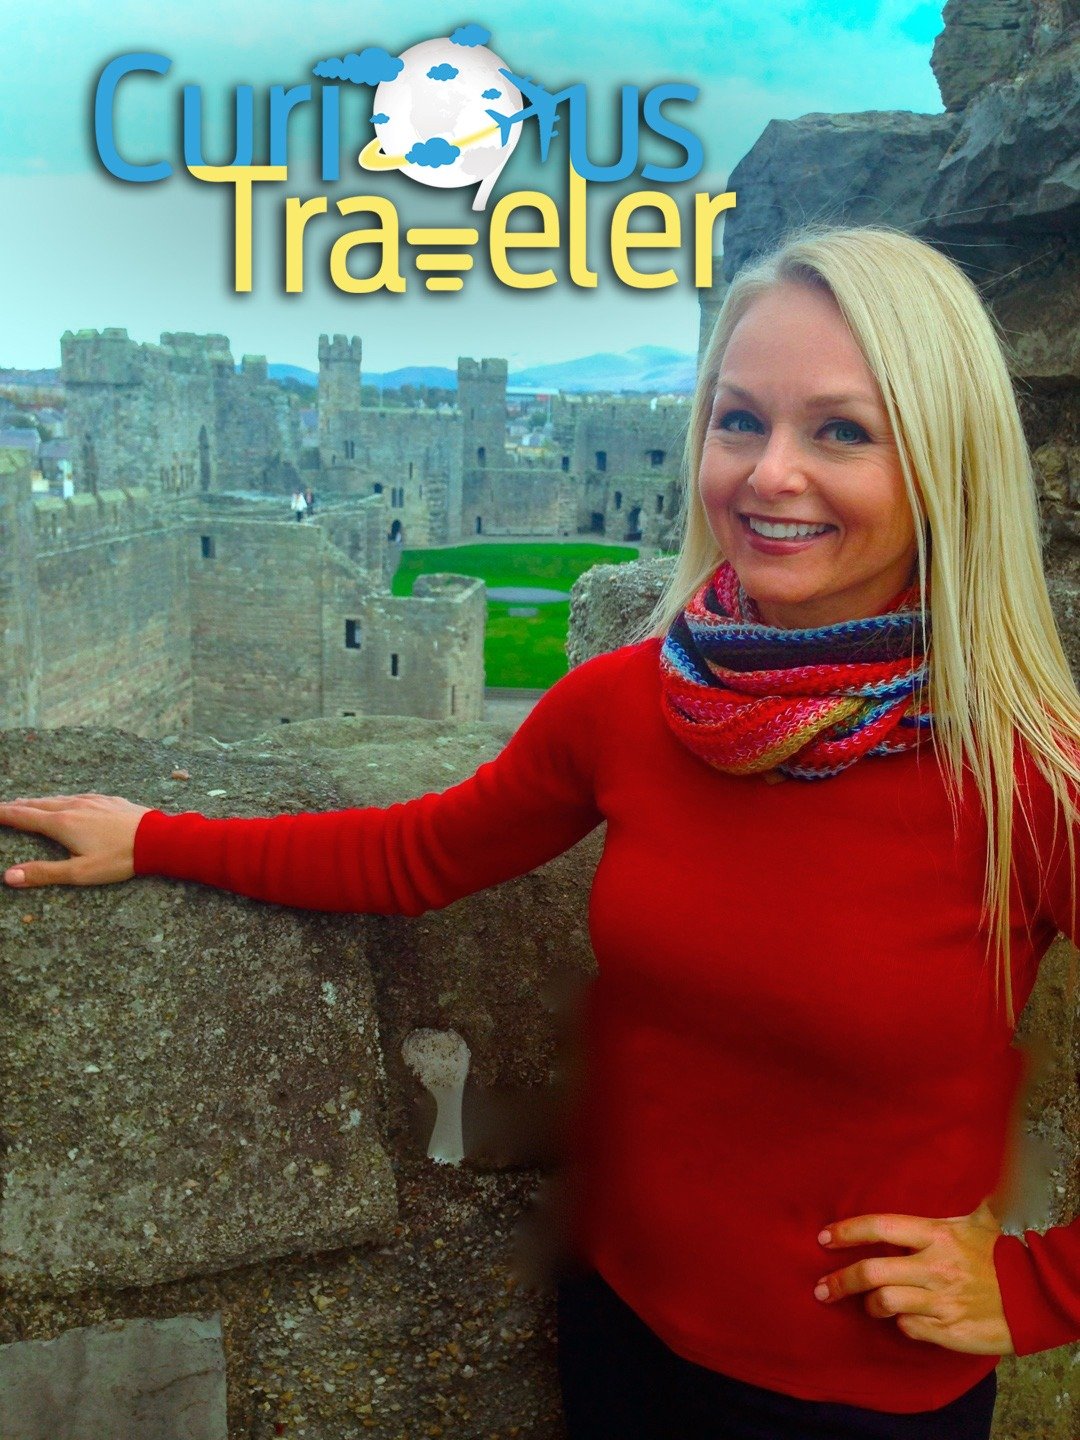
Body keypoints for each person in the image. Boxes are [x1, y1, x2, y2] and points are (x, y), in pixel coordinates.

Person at [3, 226, 1079, 1439]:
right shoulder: (632, 704)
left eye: (841, 431)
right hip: (619, 1320)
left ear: (945, 461)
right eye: (739, 420)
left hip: (857, 1397)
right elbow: (418, 853)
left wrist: (1036, 1290)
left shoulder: (1024, 774)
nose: (769, 474)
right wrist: (160, 838)